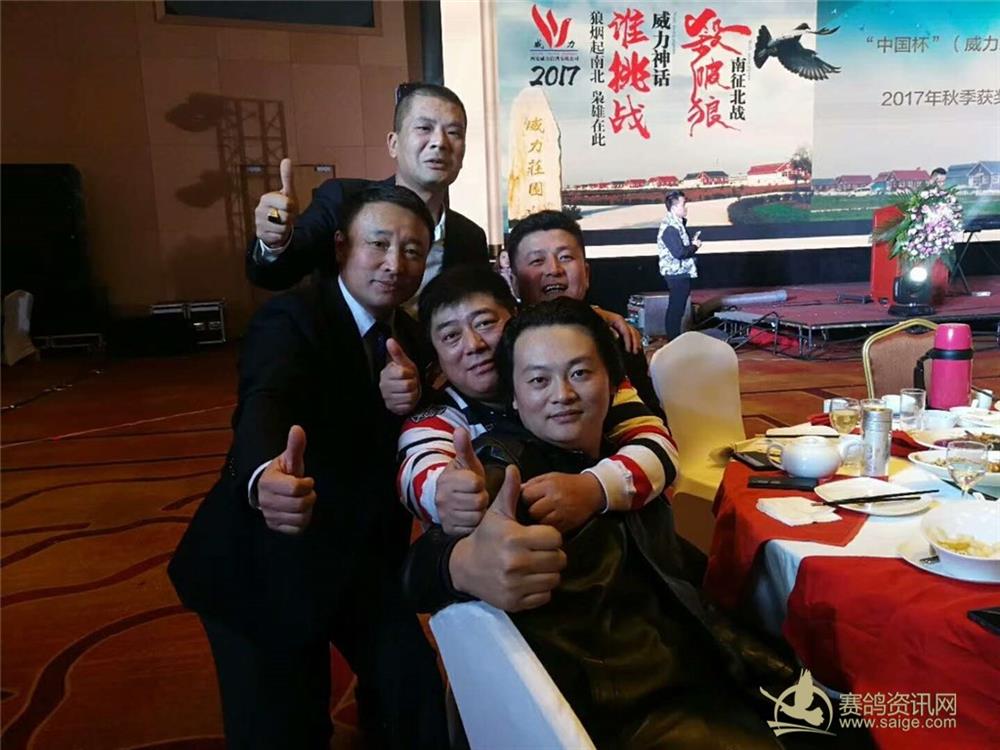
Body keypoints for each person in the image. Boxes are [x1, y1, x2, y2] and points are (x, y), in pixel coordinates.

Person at [403, 298, 784, 748]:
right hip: (630, 716)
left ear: (613, 382)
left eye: (580, 373)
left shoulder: (622, 462)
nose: (562, 394)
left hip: (705, 668)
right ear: (514, 396)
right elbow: (415, 572)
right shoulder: (509, 472)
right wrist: (460, 564)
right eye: (538, 380)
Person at [168, 186, 447, 749]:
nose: (395, 264)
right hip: (263, 564)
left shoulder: (413, 339)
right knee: (286, 730)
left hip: (356, 556)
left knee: (414, 692)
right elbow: (265, 400)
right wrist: (264, 475)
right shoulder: (291, 317)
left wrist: (411, 401)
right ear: (342, 247)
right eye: (379, 244)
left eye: (413, 250)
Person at [397, 265, 678, 538]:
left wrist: (594, 488)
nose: (473, 345)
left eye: (485, 323)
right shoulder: (437, 419)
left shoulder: (587, 379)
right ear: (436, 355)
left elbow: (659, 447)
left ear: (516, 317)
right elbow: (418, 473)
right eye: (451, 336)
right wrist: (448, 493)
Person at [246, 82, 488, 295]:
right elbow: (278, 275)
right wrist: (274, 241)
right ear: (393, 144)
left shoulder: (470, 238)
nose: (440, 142)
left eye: (453, 133)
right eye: (424, 128)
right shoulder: (344, 200)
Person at [505, 209, 660, 417]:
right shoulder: (504, 347)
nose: (554, 269)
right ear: (514, 282)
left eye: (565, 257)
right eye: (537, 261)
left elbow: (650, 416)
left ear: (586, 274)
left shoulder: (619, 339)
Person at [657, 190, 702, 341]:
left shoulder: (677, 224)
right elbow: (679, 253)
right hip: (676, 274)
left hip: (680, 272)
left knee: (678, 308)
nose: (685, 207)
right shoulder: (670, 228)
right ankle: (673, 341)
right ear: (674, 207)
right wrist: (694, 246)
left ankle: (674, 339)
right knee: (676, 309)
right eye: (683, 204)